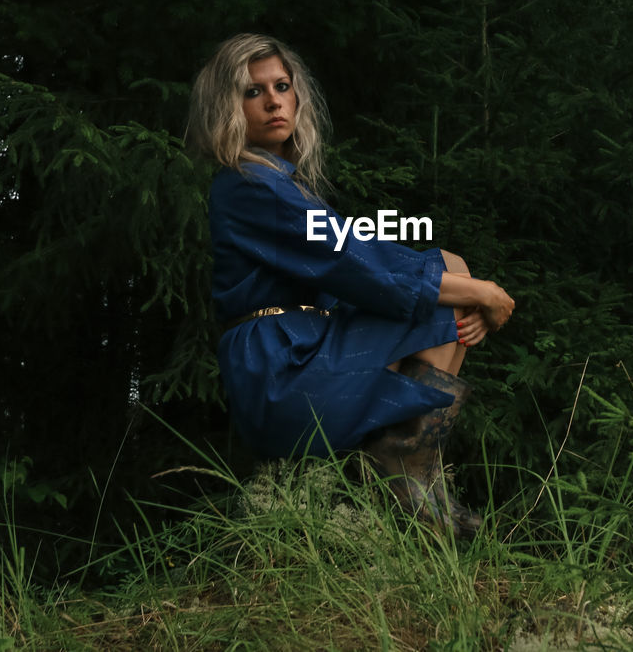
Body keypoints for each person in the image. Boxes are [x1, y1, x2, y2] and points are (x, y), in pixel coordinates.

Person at [186, 33, 515, 537]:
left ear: (298, 96)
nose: (274, 100)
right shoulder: (249, 184)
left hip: (295, 352)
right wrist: (480, 293)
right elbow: (355, 261)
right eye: (253, 91)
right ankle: (404, 461)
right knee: (447, 292)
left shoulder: (276, 182)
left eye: (282, 86)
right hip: (282, 371)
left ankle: (407, 458)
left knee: (446, 274)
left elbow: (359, 251)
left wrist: (462, 284)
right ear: (227, 107)